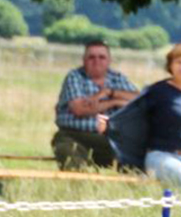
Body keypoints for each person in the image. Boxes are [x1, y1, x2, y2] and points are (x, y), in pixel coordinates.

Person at [97, 43, 181, 192]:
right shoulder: (158, 91)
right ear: (170, 65)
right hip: (161, 157)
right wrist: (111, 124)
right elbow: (134, 111)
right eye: (178, 62)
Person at [52, 40, 138, 170]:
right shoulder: (75, 77)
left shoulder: (117, 78)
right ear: (84, 60)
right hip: (75, 135)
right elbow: (79, 109)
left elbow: (139, 101)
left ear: (109, 60)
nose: (96, 61)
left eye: (101, 57)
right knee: (70, 156)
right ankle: (81, 186)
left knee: (138, 157)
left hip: (112, 138)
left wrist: (109, 93)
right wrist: (114, 102)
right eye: (91, 57)